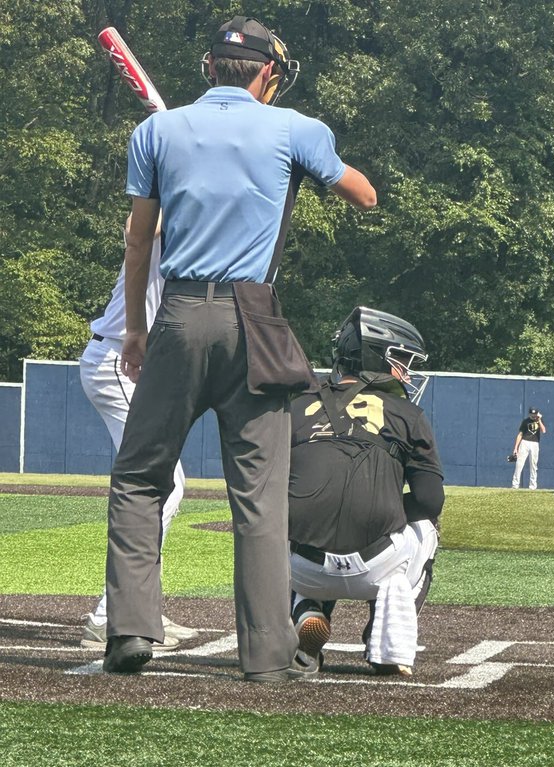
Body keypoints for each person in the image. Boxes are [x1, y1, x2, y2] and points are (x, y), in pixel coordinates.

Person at [103, 16, 376, 684]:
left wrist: (136, 329)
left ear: (209, 68)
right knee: (258, 498)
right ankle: (267, 657)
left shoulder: (156, 133)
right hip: (256, 320)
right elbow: (364, 196)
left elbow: (141, 241)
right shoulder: (294, 130)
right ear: (267, 73)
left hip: (179, 314)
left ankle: (132, 631)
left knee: (140, 477)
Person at [288, 306, 444, 678]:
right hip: (376, 564)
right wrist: (385, 506)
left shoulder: (294, 407)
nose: (406, 370)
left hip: (298, 566)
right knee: (428, 526)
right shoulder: (408, 415)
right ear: (375, 356)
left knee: (286, 517)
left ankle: (305, 611)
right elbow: (429, 500)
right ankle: (387, 641)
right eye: (401, 359)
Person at [78, 219, 197, 650]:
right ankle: (112, 614)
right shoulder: (170, 215)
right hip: (116, 360)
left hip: (135, 366)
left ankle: (140, 607)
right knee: (161, 484)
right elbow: (135, 225)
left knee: (164, 486)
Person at [510, 408, 546, 490]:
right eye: (532, 414)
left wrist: (539, 420)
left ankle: (533, 486)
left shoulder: (539, 420)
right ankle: (515, 485)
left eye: (535, 414)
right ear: (529, 414)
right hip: (525, 442)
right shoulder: (525, 421)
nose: (533, 416)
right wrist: (516, 448)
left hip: (535, 443)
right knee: (519, 464)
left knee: (533, 465)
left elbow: (543, 430)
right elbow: (520, 435)